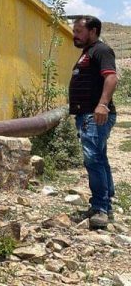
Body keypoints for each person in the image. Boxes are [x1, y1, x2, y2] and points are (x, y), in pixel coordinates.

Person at [69, 16, 118, 229]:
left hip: (95, 114)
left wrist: (102, 105)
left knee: (93, 159)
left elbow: (111, 77)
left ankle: (100, 208)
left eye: (79, 30)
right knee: (99, 157)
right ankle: (106, 201)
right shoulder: (87, 52)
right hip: (87, 115)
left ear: (93, 30)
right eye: (75, 30)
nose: (75, 34)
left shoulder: (101, 50)